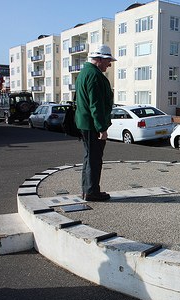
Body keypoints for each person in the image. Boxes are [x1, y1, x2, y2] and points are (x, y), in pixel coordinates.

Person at [75, 44, 116, 201]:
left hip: (85, 124)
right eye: (107, 60)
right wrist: (102, 128)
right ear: (98, 59)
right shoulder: (94, 75)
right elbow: (96, 105)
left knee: (89, 158)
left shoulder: (84, 73)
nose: (109, 64)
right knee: (94, 159)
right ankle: (92, 192)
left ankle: (87, 190)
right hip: (92, 126)